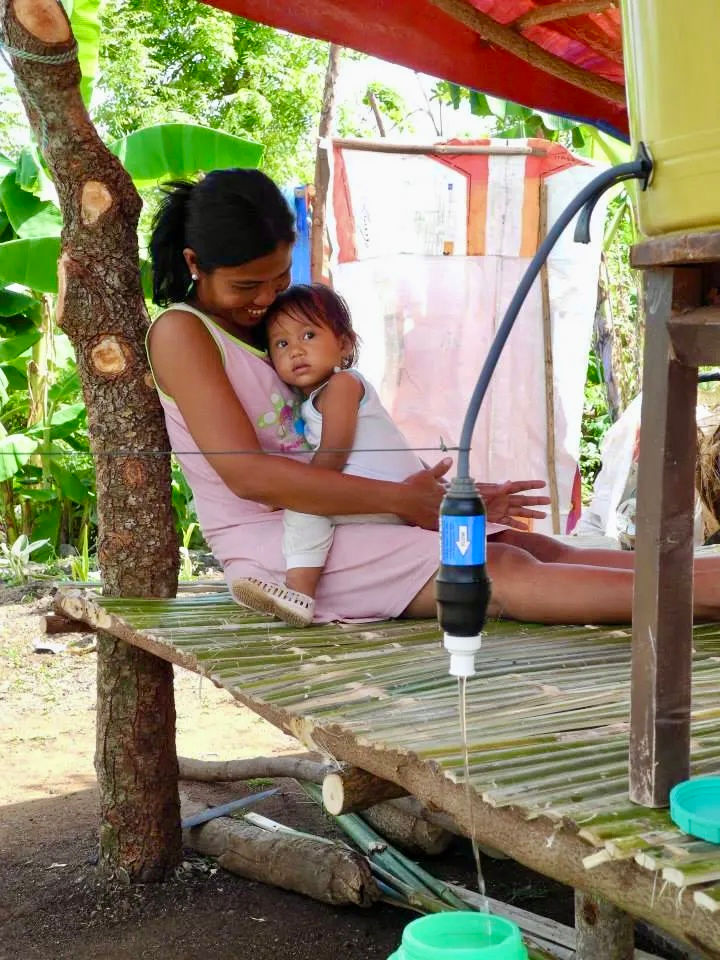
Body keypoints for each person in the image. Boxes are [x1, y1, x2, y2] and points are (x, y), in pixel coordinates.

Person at [147, 168, 720, 625]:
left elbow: (341, 439)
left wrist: (432, 496)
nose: (265, 298)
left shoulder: (266, 328)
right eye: (247, 286)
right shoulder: (182, 333)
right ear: (194, 264)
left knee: (531, 546)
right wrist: (404, 502)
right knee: (494, 569)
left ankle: (702, 578)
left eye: (276, 280)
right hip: (283, 549)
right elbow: (252, 479)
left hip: (342, 512)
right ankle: (705, 594)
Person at [232, 282, 432, 626]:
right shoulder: (314, 399)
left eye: (308, 335)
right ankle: (295, 592)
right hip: (379, 495)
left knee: (305, 507)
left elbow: (334, 454)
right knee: (307, 503)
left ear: (344, 344)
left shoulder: (343, 385)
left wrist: (288, 494)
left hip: (387, 494)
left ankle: (298, 594)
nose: (296, 351)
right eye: (282, 343)